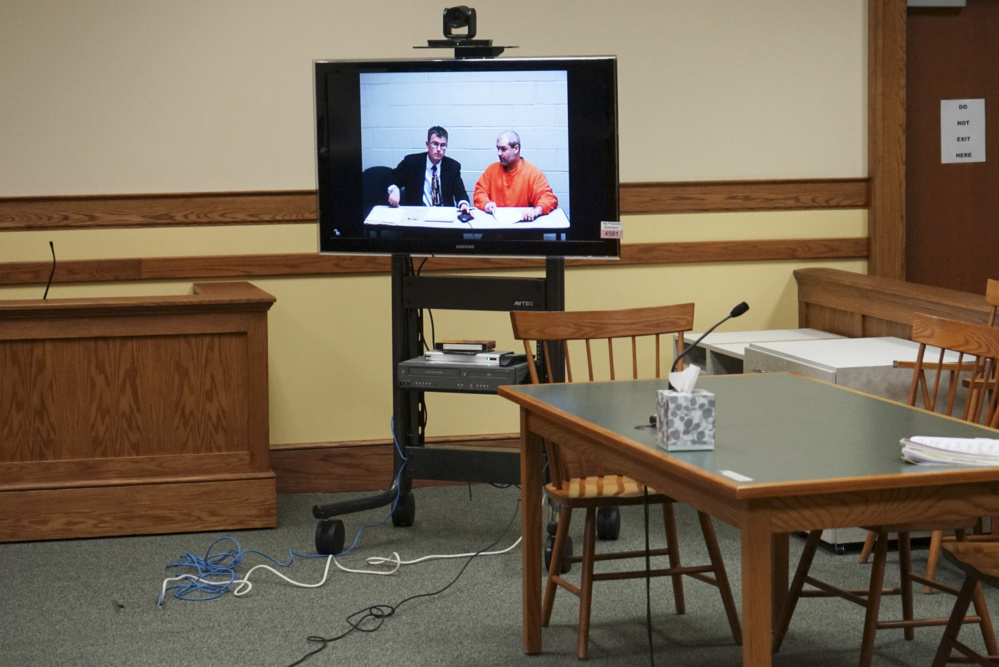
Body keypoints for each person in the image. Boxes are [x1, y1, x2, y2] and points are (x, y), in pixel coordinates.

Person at [473, 131, 558, 221]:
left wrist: (536, 211)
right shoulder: (491, 170)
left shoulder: (532, 173)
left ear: (516, 149)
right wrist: (486, 204)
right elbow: (479, 192)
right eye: (498, 149)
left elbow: (548, 198)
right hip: (496, 230)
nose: (499, 153)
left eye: (503, 149)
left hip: (524, 230)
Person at [387, 126, 470, 213]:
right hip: (418, 214)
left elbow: (461, 193)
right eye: (435, 144)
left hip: (444, 214)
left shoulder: (453, 166)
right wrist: (394, 189)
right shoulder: (411, 162)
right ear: (427, 144)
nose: (438, 149)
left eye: (443, 145)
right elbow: (389, 178)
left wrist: (463, 204)